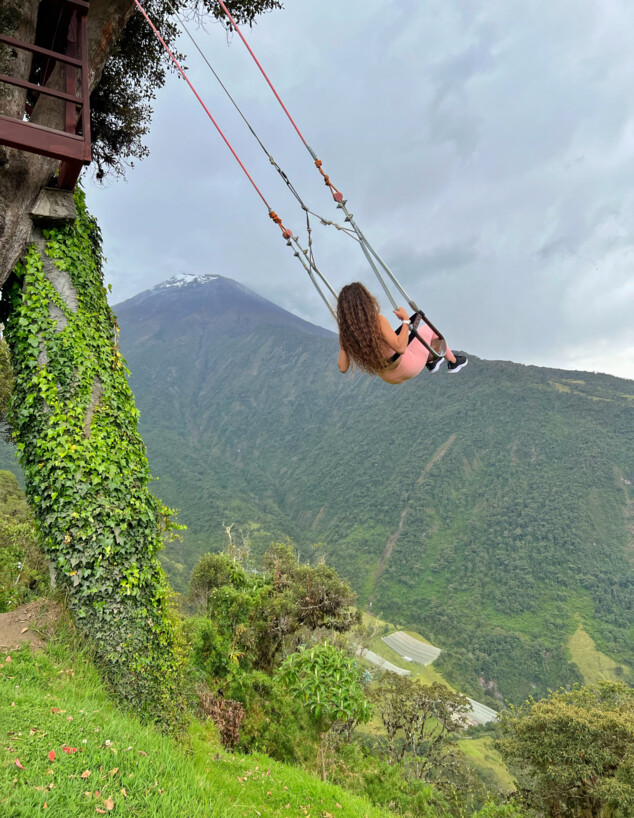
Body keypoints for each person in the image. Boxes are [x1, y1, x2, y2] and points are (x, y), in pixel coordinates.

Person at [336, 282, 467, 385]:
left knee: (415, 341)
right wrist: (405, 320)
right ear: (366, 302)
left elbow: (343, 368)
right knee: (429, 329)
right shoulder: (377, 321)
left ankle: (432, 362)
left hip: (389, 377)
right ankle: (453, 362)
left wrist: (343, 345)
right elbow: (400, 347)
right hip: (407, 366)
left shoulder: (349, 335)